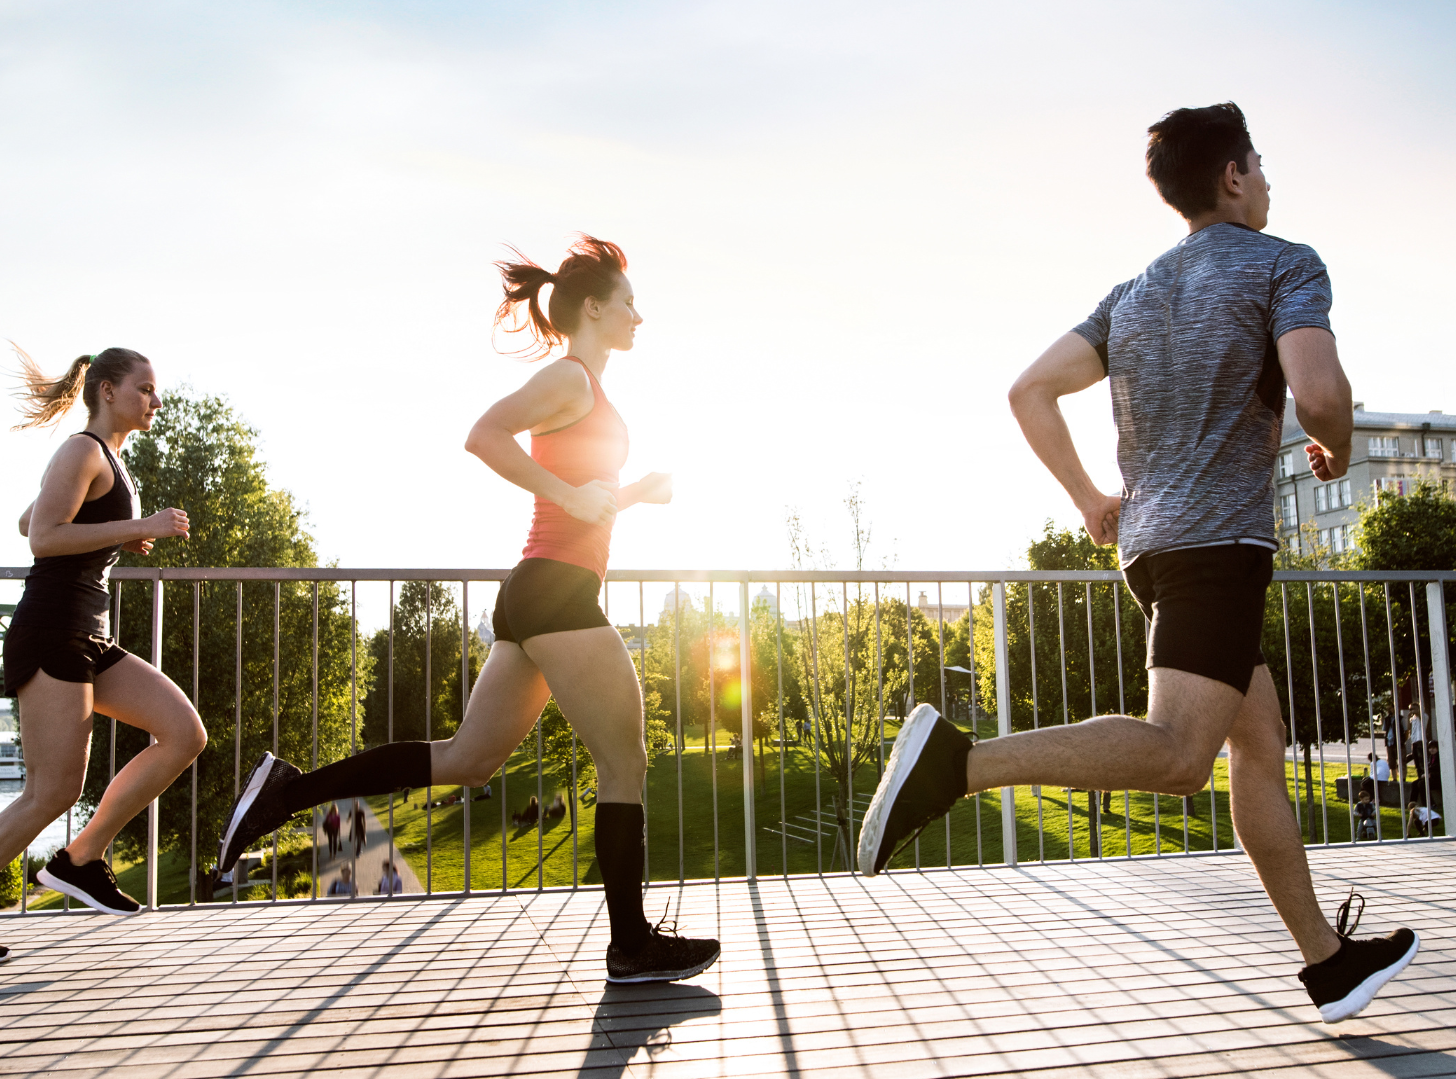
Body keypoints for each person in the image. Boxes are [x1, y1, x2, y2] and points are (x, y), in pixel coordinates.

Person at [858, 103, 1416, 1024]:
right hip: (1216, 550)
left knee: (1259, 750)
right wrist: (1341, 446)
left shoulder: (1131, 294)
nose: (1268, 180)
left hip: (1155, 547)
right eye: (1261, 165)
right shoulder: (1285, 264)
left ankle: (1327, 960)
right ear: (1233, 177)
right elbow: (1317, 393)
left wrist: (1087, 497)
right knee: (1180, 755)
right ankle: (957, 764)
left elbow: (1029, 388)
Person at [212, 237, 718, 983]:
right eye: (629, 303)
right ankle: (630, 943)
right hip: (556, 591)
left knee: (467, 758)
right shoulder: (571, 378)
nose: (640, 316)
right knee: (626, 759)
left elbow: (582, 494)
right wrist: (572, 494)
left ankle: (290, 791)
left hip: (537, 590)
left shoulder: (586, 389)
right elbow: (483, 435)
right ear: (593, 307)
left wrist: (635, 488)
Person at [0, 346, 205, 922]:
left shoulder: (112, 463)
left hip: (89, 632)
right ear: (107, 391)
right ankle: (77, 860)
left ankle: (80, 858)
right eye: (145, 389)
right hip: (53, 629)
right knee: (52, 791)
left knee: (183, 733)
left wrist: (109, 531)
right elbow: (40, 537)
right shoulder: (82, 449)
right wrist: (138, 526)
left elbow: (30, 518)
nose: (155, 401)